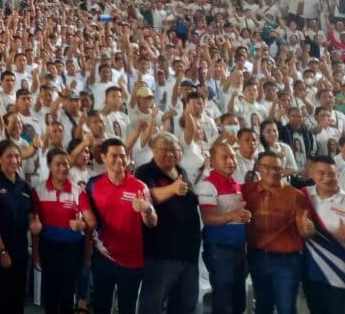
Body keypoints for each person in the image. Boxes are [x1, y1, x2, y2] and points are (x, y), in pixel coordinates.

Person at [86, 138, 157, 314]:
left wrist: (147, 210)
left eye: (123, 156)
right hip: (103, 256)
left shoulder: (139, 186)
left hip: (132, 260)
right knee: (101, 305)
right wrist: (87, 253)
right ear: (103, 157)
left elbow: (152, 222)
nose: (120, 160)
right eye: (114, 156)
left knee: (127, 307)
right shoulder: (93, 184)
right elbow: (89, 222)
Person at [241, 151, 315, 314]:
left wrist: (307, 229)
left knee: (286, 307)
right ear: (258, 168)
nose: (273, 172)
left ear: (283, 171)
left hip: (287, 261)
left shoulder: (296, 196)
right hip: (257, 256)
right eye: (267, 167)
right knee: (262, 305)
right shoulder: (246, 190)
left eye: (278, 168)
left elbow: (303, 229)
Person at [134, 132, 200, 314]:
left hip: (188, 253)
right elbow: (148, 197)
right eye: (165, 149)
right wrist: (171, 189)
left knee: (185, 305)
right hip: (161, 254)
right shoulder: (145, 171)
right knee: (152, 305)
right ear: (153, 150)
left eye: (175, 149)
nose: (171, 154)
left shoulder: (182, 171)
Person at [0, 139, 41, 313]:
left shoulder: (24, 186)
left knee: (16, 298)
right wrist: (2, 251)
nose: (13, 160)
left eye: (16, 156)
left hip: (20, 251)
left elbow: (30, 216)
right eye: (9, 156)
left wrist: (34, 224)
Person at [32, 148, 96, 314]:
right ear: (49, 166)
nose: (63, 168)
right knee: (50, 293)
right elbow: (34, 225)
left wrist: (82, 224)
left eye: (66, 164)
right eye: (58, 164)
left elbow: (91, 222)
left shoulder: (78, 191)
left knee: (68, 294)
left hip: (73, 248)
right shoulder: (39, 190)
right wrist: (36, 252)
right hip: (48, 247)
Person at [198, 142, 252, 314]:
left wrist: (244, 216)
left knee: (238, 298)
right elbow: (208, 218)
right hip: (219, 250)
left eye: (233, 157)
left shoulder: (236, 184)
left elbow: (237, 216)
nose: (231, 161)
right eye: (225, 157)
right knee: (223, 299)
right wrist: (233, 216)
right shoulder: (208, 185)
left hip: (238, 249)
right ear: (212, 161)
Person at [301, 156, 345, 310]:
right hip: (312, 273)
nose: (327, 178)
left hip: (340, 276)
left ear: (338, 175)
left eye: (331, 174)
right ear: (312, 174)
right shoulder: (302, 196)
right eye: (321, 173)